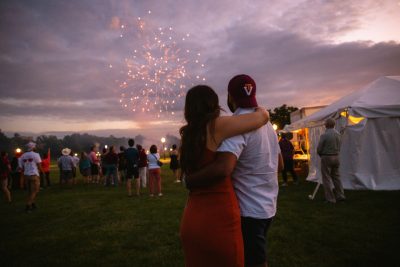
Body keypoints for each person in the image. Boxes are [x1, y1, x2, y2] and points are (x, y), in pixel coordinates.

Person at [179, 84, 270, 267]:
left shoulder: (187, 135)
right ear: (212, 104)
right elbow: (261, 118)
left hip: (192, 215)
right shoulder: (216, 126)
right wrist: (261, 110)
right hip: (219, 216)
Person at [317, 118, 345, 203]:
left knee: (326, 178)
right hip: (336, 156)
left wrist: (321, 154)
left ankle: (330, 198)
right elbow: (340, 145)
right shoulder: (338, 134)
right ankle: (340, 195)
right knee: (336, 177)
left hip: (327, 157)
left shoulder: (324, 135)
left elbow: (319, 148)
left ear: (327, 125)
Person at [18, 142, 43, 212]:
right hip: (34, 174)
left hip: (26, 175)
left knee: (30, 191)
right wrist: (42, 173)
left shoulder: (23, 155)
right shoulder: (36, 155)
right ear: (33, 147)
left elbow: (21, 166)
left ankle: (33, 204)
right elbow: (39, 165)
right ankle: (28, 205)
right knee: (35, 191)